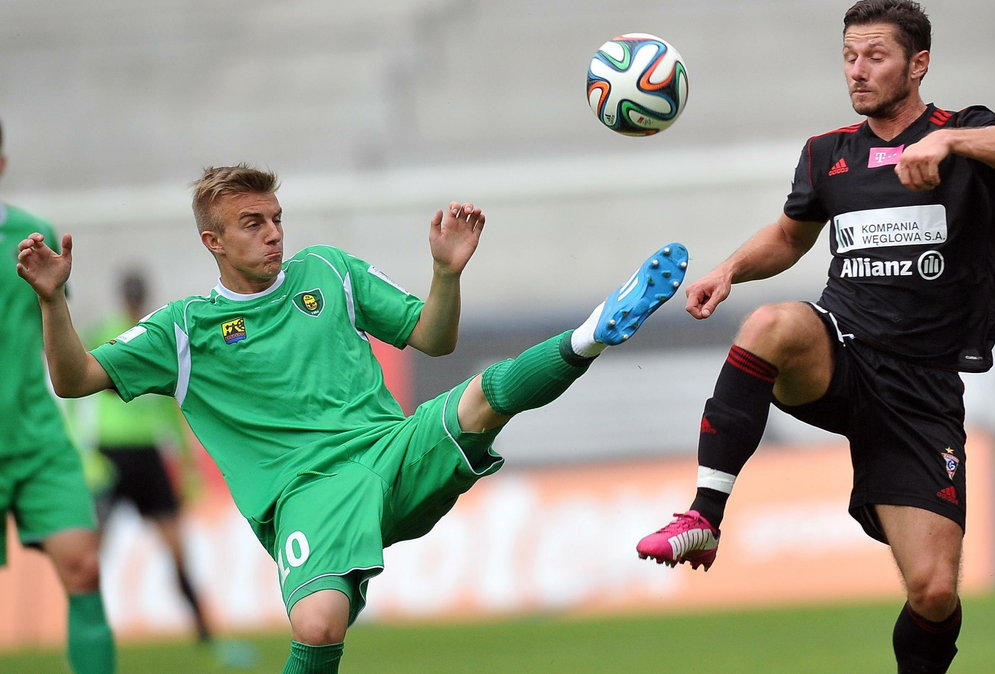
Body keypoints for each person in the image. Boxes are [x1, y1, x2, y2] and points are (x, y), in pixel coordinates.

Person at [17, 163, 689, 673]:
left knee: (484, 396)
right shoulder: (185, 329)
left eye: (277, 217)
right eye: (253, 223)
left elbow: (432, 337)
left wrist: (445, 274)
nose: (274, 233)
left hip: (390, 450)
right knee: (317, 628)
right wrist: (53, 302)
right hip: (306, 496)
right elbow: (74, 381)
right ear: (213, 241)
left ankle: (593, 333)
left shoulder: (328, 272)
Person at [634, 1, 995, 672]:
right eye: (850, 58)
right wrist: (730, 270)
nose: (858, 72)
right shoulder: (828, 154)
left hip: (921, 390)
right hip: (842, 352)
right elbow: (788, 238)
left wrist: (950, 143)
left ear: (919, 64)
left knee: (935, 590)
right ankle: (704, 516)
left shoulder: (964, 131)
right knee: (772, 323)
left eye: (876, 57)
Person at [0, 118, 116, 674]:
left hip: (37, 439)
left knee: (85, 570)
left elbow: (57, 340)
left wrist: (53, 301)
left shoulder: (32, 236)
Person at [81, 270, 214, 646]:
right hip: (111, 453)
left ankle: (205, 632)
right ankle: (88, 631)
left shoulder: (155, 333)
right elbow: (75, 393)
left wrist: (187, 465)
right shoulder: (102, 331)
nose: (134, 304)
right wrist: (86, 454)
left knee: (176, 547)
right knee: (92, 555)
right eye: (132, 298)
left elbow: (174, 402)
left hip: (147, 453)